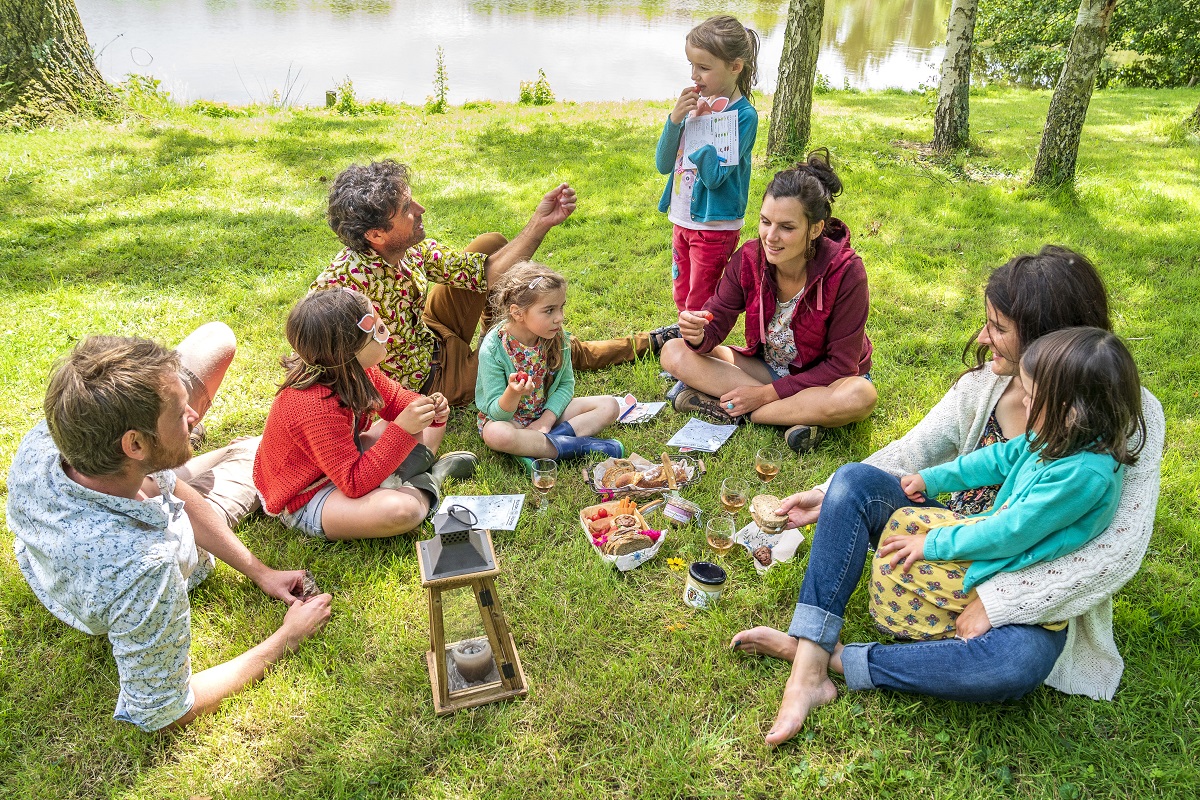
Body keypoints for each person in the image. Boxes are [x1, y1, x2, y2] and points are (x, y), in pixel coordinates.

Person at [728, 246, 1165, 745]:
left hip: (1022, 580)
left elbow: (1113, 556)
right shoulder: (988, 386)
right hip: (947, 536)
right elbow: (914, 452)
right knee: (852, 481)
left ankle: (844, 662)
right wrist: (827, 494)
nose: (983, 338)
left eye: (998, 327)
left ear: (1052, 338)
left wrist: (1001, 603)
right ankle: (809, 662)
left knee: (1012, 664)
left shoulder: (1126, 419)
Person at [7, 335, 331, 732]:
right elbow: (163, 713)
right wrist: (287, 637)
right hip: (118, 553)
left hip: (89, 526)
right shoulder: (142, 567)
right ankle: (237, 453)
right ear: (136, 444)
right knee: (259, 456)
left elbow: (166, 483)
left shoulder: (57, 433)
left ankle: (220, 451)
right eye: (180, 414)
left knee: (218, 341)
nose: (195, 416)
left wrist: (260, 571)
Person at [314, 159, 664, 408]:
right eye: (407, 208)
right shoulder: (340, 288)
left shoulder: (410, 248)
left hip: (434, 332)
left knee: (490, 243)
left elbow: (486, 271)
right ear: (376, 234)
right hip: (429, 380)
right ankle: (647, 342)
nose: (420, 208)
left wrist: (540, 222)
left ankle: (507, 334)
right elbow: (314, 354)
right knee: (538, 351)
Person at [871, 326, 1145, 642]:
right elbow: (997, 459)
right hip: (997, 532)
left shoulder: (1082, 476)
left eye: (1032, 396)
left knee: (907, 563)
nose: (1024, 402)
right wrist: (932, 478)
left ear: (1070, 413)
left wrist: (932, 544)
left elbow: (1012, 532)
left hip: (1012, 566)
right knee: (904, 525)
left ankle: (925, 627)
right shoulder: (1059, 436)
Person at [659, 150, 877, 453]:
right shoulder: (749, 258)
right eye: (765, 222)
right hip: (769, 368)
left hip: (827, 381)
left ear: (815, 229)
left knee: (860, 396)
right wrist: (699, 334)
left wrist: (764, 396)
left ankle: (739, 410)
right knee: (674, 352)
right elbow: (716, 319)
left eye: (787, 227)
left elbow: (841, 365)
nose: (770, 237)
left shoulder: (847, 271)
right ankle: (794, 417)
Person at [254, 289, 478, 541]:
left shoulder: (353, 370)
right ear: (349, 350)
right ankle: (431, 479)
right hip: (308, 493)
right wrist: (402, 429)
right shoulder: (313, 406)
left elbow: (395, 400)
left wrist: (426, 407)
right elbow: (353, 483)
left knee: (420, 420)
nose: (387, 335)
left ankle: (404, 480)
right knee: (403, 512)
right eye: (378, 332)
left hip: (343, 462)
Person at [654, 15, 761, 312]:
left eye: (703, 67)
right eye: (691, 65)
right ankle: (687, 344)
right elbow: (664, 164)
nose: (693, 75)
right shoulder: (693, 107)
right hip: (682, 217)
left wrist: (702, 132)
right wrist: (676, 120)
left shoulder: (743, 117)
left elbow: (715, 178)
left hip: (715, 225)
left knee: (701, 300)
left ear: (735, 67)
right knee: (681, 292)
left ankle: (697, 351)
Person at [476, 262, 624, 472]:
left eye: (561, 307)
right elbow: (497, 414)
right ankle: (583, 447)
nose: (560, 317)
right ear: (517, 313)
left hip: (548, 413)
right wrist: (512, 393)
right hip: (514, 421)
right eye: (549, 310)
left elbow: (565, 385)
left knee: (610, 405)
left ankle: (537, 447)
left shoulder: (556, 337)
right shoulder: (493, 349)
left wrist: (546, 420)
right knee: (496, 434)